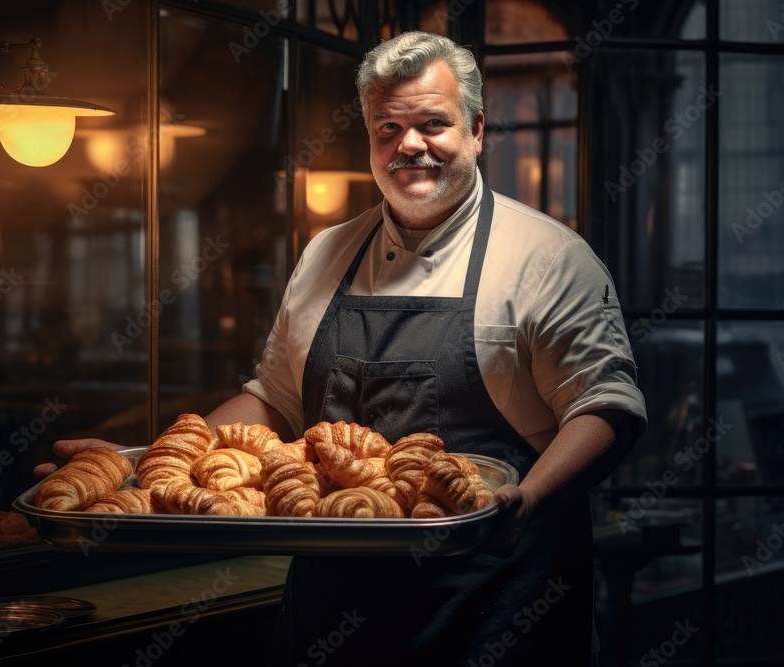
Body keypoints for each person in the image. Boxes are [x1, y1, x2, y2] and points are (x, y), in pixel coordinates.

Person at [41, 31, 646, 666]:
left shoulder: (547, 258)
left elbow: (605, 408)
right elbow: (274, 401)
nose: (409, 145)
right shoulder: (325, 253)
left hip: (493, 604)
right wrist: (144, 466)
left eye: (432, 124)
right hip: (334, 614)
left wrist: (527, 499)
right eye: (387, 127)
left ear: (475, 129)